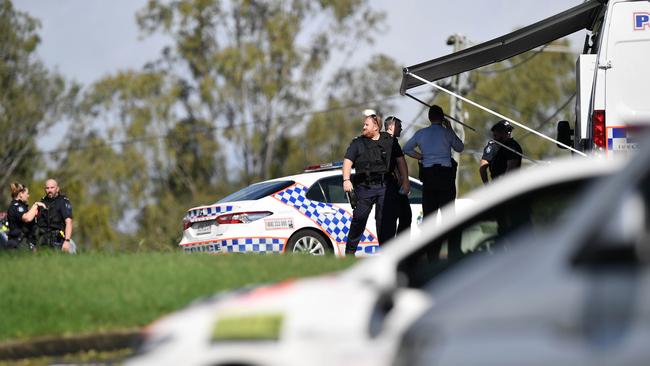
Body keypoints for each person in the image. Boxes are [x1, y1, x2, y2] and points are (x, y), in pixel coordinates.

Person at [342, 113, 410, 256]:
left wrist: (405, 182)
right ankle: (349, 252)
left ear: (376, 126)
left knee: (385, 221)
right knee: (359, 218)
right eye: (364, 124)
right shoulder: (357, 143)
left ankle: (387, 255)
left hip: (386, 186)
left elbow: (401, 162)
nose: (363, 127)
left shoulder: (390, 141)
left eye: (366, 125)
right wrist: (346, 180)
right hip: (364, 187)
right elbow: (348, 161)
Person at [403, 105, 464, 219]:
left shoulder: (421, 133)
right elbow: (460, 148)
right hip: (446, 176)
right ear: (442, 118)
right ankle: (449, 237)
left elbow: (406, 149)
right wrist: (450, 128)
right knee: (448, 215)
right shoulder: (447, 133)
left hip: (429, 175)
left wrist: (421, 157)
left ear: (429, 117)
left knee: (429, 216)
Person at [382, 116, 412, 238]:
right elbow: (400, 162)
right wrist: (405, 181)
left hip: (392, 184)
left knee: (404, 215)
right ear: (391, 126)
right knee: (403, 216)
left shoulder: (384, 140)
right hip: (391, 185)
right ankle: (399, 247)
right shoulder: (391, 141)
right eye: (399, 126)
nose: (401, 128)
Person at [35, 179, 74, 252]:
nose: (49, 190)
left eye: (52, 187)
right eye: (47, 188)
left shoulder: (63, 201)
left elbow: (69, 222)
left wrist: (67, 241)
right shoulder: (42, 202)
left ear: (57, 188)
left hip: (57, 241)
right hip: (42, 241)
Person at [479, 119, 522, 185]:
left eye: (509, 130)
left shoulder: (513, 146)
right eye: (505, 130)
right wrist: (487, 186)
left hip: (511, 185)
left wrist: (502, 187)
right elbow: (483, 167)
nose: (508, 133)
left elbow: (511, 169)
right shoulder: (492, 146)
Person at [5, 182, 45, 250]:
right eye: (27, 193)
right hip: (17, 244)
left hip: (24, 242)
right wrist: (36, 205)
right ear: (20, 194)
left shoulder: (22, 206)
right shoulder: (16, 206)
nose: (28, 196)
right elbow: (27, 218)